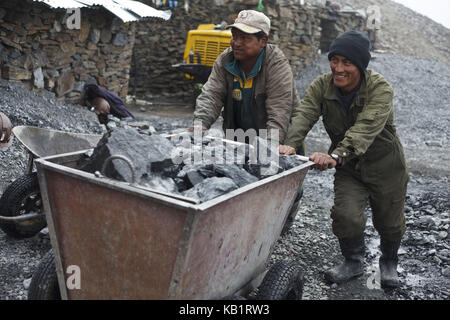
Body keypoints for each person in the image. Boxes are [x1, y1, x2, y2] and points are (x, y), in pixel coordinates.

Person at [279, 30, 409, 288]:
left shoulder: (380, 88)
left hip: (386, 167)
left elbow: (366, 127)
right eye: (334, 60)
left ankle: (389, 262)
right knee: (345, 214)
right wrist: (289, 144)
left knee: (390, 221)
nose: (338, 68)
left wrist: (335, 155)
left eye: (347, 62)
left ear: (360, 65)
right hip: (350, 169)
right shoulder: (321, 85)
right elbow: (304, 114)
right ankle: (353, 261)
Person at [191, 9, 305, 230]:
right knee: (242, 174)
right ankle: (246, 221)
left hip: (279, 132)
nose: (237, 43)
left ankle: (283, 221)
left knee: (284, 178)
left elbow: (280, 109)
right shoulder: (225, 60)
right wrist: (200, 124)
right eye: (235, 36)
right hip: (240, 129)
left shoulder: (276, 63)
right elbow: (211, 94)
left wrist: (272, 145)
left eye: (245, 37)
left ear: (263, 41)